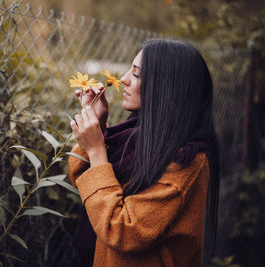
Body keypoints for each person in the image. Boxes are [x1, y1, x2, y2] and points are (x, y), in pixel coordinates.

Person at [68, 39, 220, 267]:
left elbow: (122, 230)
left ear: (167, 86)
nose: (123, 79)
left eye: (137, 74)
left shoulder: (186, 161)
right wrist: (99, 128)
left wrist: (97, 149)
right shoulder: (141, 136)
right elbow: (81, 178)